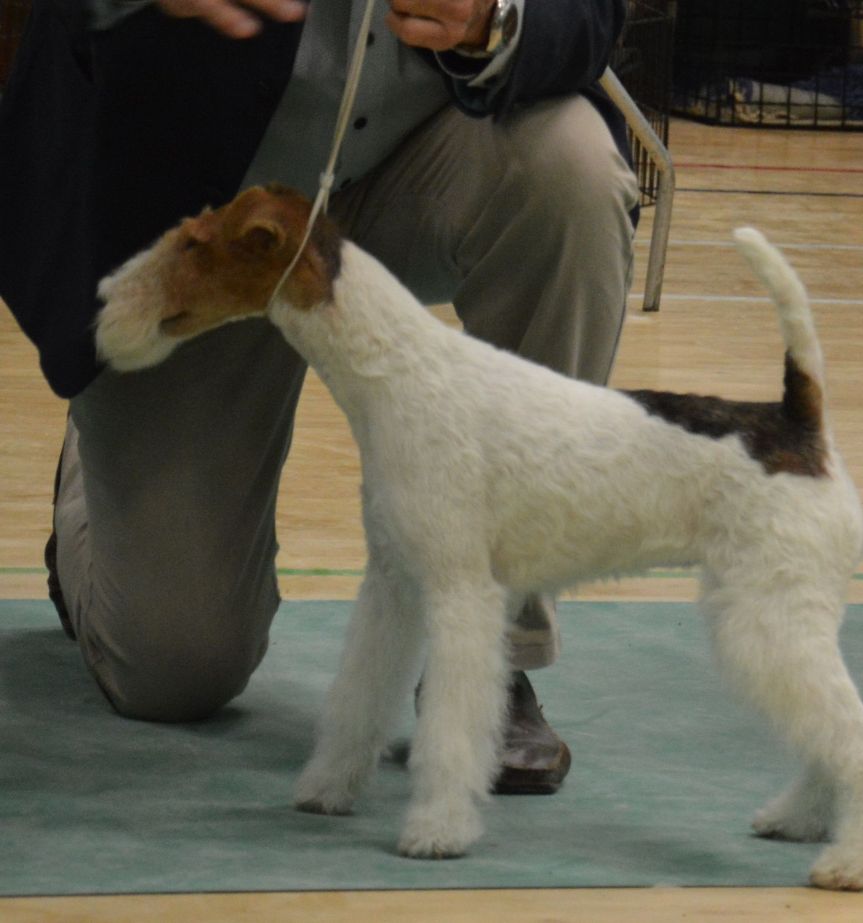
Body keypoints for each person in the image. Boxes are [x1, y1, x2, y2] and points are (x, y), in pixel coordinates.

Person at [0, 0, 639, 795]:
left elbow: (588, 13)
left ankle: (486, 652)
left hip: (419, 167)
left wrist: (495, 20)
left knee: (572, 172)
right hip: (205, 204)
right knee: (175, 671)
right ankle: (93, 494)